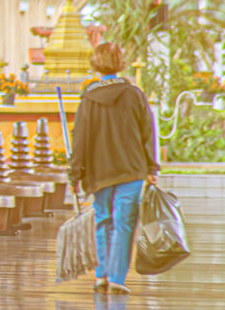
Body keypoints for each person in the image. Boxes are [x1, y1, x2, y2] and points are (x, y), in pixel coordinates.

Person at [68, 42, 159, 295]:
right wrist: (152, 167)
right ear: (121, 63)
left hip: (99, 171)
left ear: (95, 64)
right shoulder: (134, 94)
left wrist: (75, 173)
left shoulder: (89, 97)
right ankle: (118, 278)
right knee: (124, 222)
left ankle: (102, 275)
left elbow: (80, 138)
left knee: (103, 219)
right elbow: (147, 133)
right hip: (131, 168)